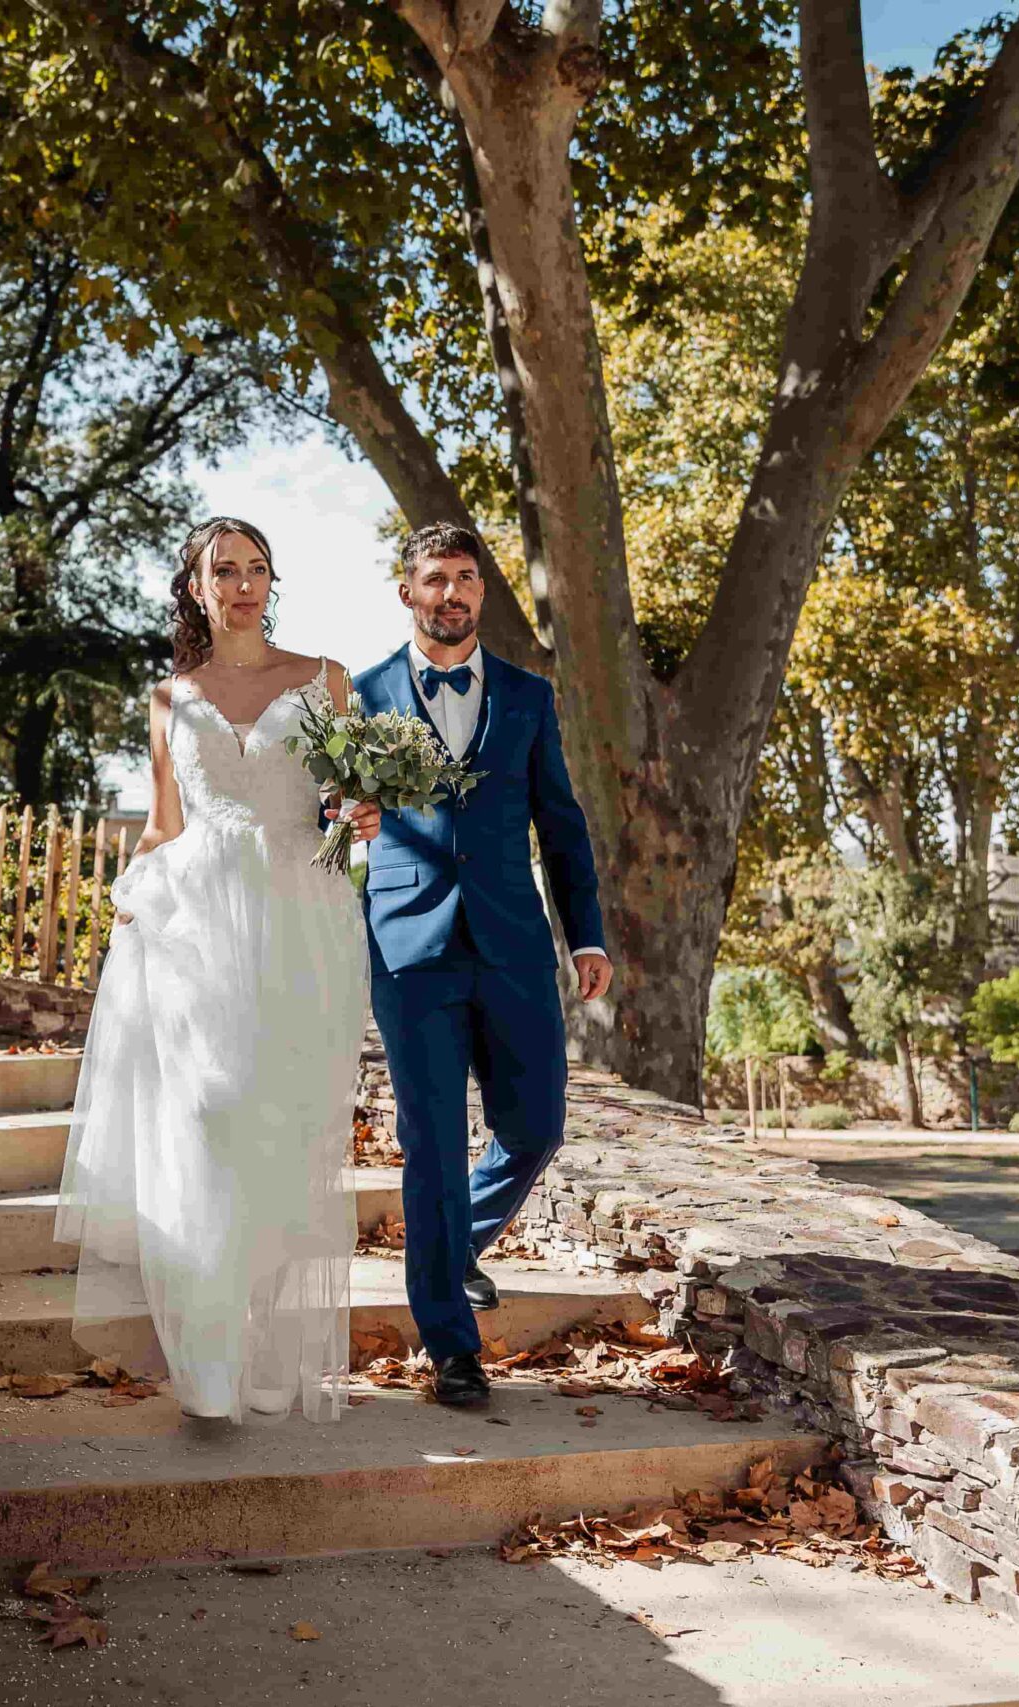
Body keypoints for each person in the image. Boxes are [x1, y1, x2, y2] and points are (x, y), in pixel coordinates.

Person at [53, 518, 379, 1424]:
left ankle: (274, 1352)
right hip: (194, 922)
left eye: (256, 568)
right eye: (223, 570)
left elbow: (342, 800)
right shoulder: (168, 699)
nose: (242, 584)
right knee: (208, 1115)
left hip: (297, 920)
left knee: (288, 1129)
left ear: (274, 580)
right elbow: (166, 823)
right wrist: (130, 894)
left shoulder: (324, 682)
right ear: (195, 588)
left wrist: (362, 814)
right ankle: (206, 1356)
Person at [351, 523, 610, 1408]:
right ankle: (451, 1346)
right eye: (435, 579)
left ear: (480, 593)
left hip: (512, 943)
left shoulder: (531, 697)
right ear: (408, 592)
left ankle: (453, 1244)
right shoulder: (358, 694)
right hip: (409, 947)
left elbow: (561, 823)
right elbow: (318, 808)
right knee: (430, 1142)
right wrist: (338, 814)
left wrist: (587, 934)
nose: (451, 592)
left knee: (535, 1124)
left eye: (466, 578)